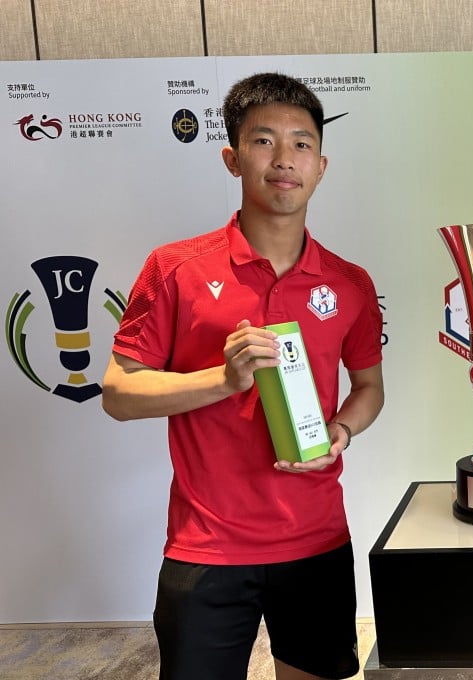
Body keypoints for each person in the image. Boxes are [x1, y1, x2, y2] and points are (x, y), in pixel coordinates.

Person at [101, 72, 385, 680]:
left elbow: (369, 388)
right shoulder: (175, 268)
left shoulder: (350, 283)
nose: (284, 160)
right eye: (264, 141)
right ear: (232, 157)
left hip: (316, 541)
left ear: (321, 164)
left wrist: (340, 431)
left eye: (301, 144)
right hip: (206, 547)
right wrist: (221, 381)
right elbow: (119, 393)